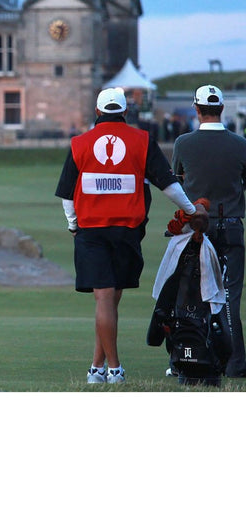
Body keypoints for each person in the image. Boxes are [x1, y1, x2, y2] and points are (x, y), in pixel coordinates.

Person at [55, 87, 208, 384]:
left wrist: (73, 226)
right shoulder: (143, 140)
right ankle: (109, 369)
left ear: (98, 112)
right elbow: (168, 185)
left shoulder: (79, 143)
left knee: (105, 301)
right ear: (125, 112)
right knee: (109, 300)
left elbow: (67, 196)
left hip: (91, 231)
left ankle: (102, 369)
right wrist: (191, 210)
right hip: (127, 232)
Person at [172, 84, 246, 377]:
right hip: (230, 227)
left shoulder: (183, 143)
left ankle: (191, 359)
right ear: (222, 109)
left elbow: (176, 183)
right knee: (230, 298)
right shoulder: (240, 144)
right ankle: (235, 363)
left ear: (197, 109)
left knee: (192, 298)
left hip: (195, 230)